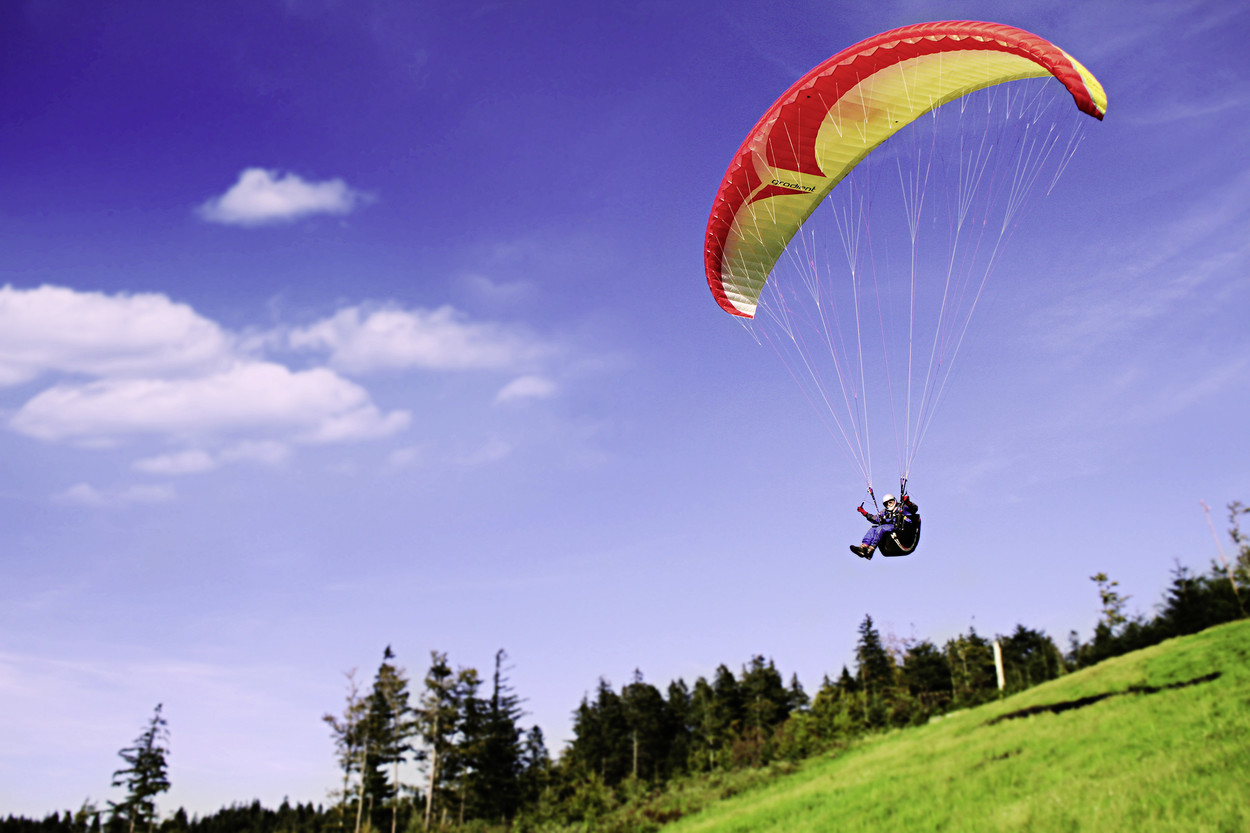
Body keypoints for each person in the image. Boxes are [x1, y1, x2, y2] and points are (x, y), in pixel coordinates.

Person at [850, 494, 916, 560]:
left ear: (894, 500)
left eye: (890, 502)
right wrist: (864, 513)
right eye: (886, 504)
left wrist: (908, 503)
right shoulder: (885, 512)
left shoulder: (901, 507)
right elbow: (875, 519)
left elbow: (913, 509)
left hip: (899, 528)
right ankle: (864, 547)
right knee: (873, 528)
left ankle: (871, 549)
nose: (889, 505)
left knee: (881, 528)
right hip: (888, 528)